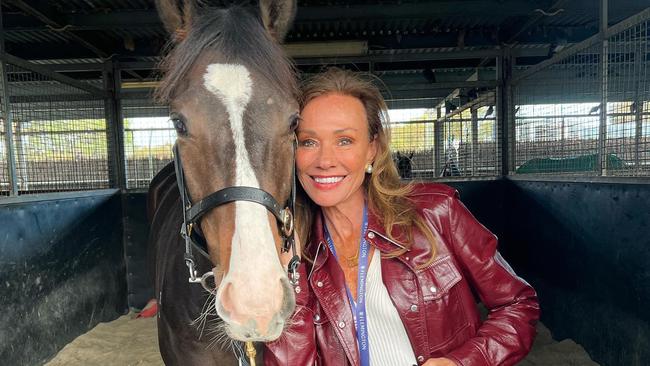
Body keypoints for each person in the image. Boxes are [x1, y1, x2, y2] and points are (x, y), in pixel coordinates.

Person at [267, 68, 539, 366]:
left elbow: (517, 304)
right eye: (308, 141)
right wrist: (290, 283)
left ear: (372, 149)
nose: (325, 160)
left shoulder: (436, 212)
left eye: (344, 140)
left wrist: (462, 362)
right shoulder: (295, 252)